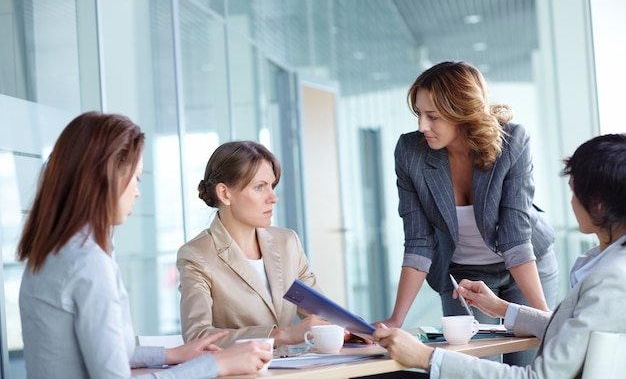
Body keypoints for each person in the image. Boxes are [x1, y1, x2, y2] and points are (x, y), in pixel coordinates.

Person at [17, 112, 272, 379]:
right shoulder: (88, 263)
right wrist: (218, 365)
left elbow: (103, 351)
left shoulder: (54, 252)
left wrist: (172, 354)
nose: (137, 192)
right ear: (107, 176)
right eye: (135, 179)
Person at [374, 132, 626, 378]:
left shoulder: (612, 281)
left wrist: (425, 358)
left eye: (573, 192)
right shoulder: (610, 268)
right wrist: (501, 308)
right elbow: (571, 332)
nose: (571, 202)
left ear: (598, 204)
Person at [377, 60, 559, 365]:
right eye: (419, 115)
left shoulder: (512, 141)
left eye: (432, 116)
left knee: (527, 366)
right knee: (466, 367)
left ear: (462, 113)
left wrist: (543, 320)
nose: (422, 126)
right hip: (463, 277)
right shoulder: (410, 152)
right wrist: (396, 319)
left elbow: (516, 238)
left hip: (527, 268)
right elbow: (418, 242)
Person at [177, 140, 337, 348]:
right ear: (225, 194)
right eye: (259, 187)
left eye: (271, 186)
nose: (273, 198)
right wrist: (283, 336)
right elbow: (198, 336)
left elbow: (322, 315)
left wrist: (357, 330)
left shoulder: (287, 242)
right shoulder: (197, 255)